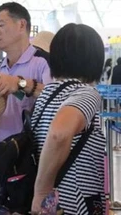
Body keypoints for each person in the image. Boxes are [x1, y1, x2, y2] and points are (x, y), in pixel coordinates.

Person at [31, 24, 106, 215]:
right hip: (72, 202)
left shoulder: (47, 94)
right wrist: (42, 191)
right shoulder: (86, 94)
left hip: (51, 204)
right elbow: (59, 133)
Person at [0, 2, 51, 144]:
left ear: (22, 25)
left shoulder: (43, 63)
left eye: (1, 25)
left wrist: (19, 83)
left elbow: (56, 99)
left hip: (31, 155)